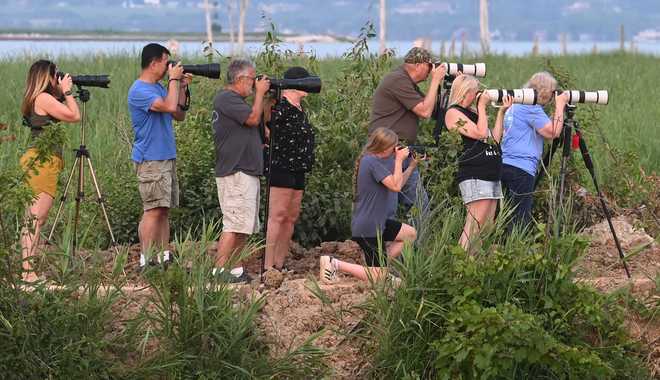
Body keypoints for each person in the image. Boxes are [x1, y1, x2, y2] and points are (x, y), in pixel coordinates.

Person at [320, 127, 418, 284]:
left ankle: (377, 268)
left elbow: (397, 182)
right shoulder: (371, 162)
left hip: (379, 223)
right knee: (378, 278)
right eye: (393, 146)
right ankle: (334, 263)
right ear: (384, 147)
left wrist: (412, 166)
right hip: (369, 227)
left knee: (410, 234)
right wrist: (399, 160)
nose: (395, 149)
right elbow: (396, 186)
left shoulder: (375, 162)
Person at [128, 43, 192, 269]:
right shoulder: (140, 90)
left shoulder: (157, 88)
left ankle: (163, 257)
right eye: (166, 63)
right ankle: (147, 259)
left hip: (165, 156)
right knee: (152, 210)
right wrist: (174, 81)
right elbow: (168, 105)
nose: (169, 68)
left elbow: (178, 114)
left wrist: (182, 86)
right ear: (153, 63)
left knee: (163, 210)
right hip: (150, 159)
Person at [19, 60, 81, 282]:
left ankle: (29, 271)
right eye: (56, 76)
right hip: (41, 161)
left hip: (42, 160)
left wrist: (63, 92)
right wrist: (67, 92)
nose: (59, 79)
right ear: (48, 77)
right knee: (36, 218)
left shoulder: (41, 98)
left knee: (36, 218)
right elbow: (75, 116)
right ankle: (28, 274)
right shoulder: (44, 98)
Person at [369, 47, 447, 215]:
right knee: (396, 206)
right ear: (418, 65)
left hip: (400, 152)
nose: (431, 71)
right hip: (387, 152)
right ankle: (390, 240)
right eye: (430, 66)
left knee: (419, 206)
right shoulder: (398, 80)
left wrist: (447, 88)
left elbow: (433, 111)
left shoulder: (406, 82)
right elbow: (425, 111)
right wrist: (435, 82)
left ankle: (414, 241)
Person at [213, 59, 270, 283]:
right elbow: (252, 119)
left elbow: (259, 123)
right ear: (239, 79)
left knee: (244, 225)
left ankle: (234, 269)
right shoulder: (227, 98)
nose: (254, 84)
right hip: (236, 172)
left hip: (246, 171)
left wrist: (264, 98)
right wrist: (260, 94)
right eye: (251, 79)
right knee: (234, 223)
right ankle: (219, 271)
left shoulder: (237, 102)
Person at [444, 75, 512, 251]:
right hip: (475, 174)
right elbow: (480, 133)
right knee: (474, 226)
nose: (478, 96)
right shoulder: (453, 113)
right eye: (476, 93)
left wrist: (501, 113)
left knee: (486, 228)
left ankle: (473, 267)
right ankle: (459, 267)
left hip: (491, 174)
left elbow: (493, 139)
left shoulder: (474, 113)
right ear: (466, 92)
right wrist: (482, 106)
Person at [263, 67, 316, 273]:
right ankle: (268, 265)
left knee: (291, 217)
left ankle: (280, 262)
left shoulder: (300, 108)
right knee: (277, 215)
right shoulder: (279, 106)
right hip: (281, 166)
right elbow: (262, 123)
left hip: (299, 167)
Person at [501, 72, 569, 229]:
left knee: (506, 215)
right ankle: (514, 250)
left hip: (505, 164)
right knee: (520, 218)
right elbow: (553, 132)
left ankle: (501, 248)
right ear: (546, 91)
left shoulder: (517, 104)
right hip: (521, 168)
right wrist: (560, 105)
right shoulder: (531, 108)